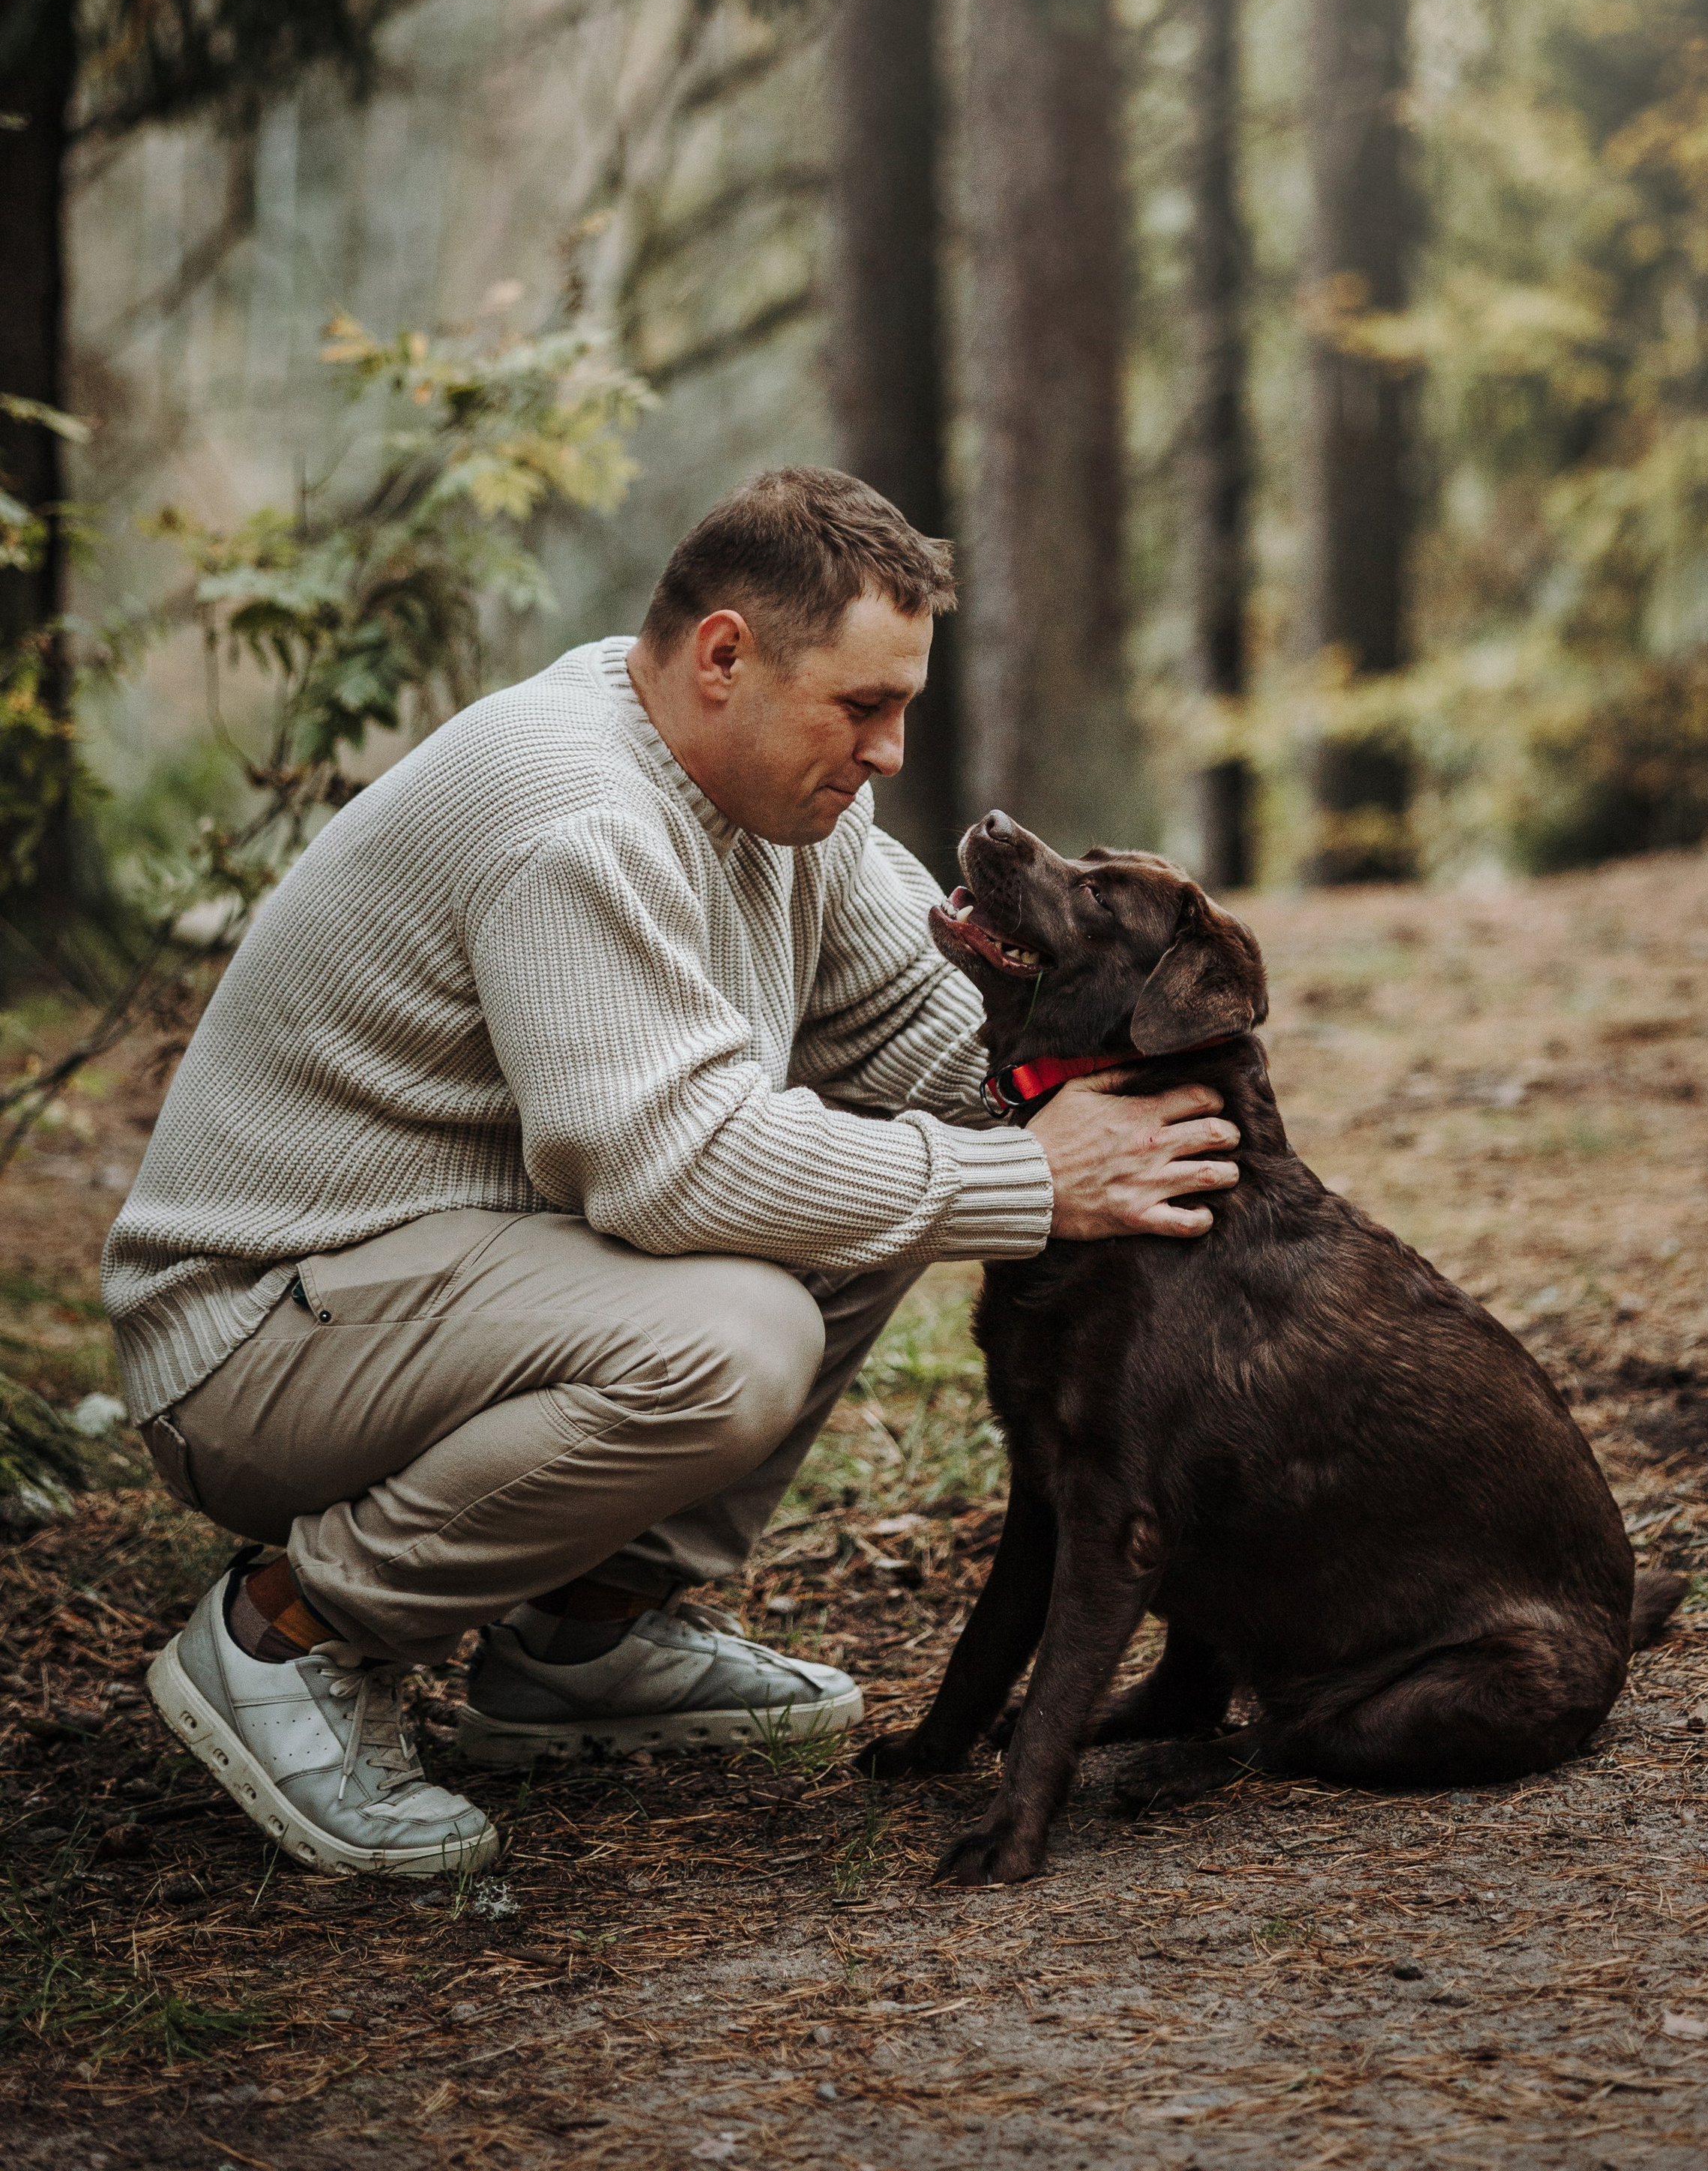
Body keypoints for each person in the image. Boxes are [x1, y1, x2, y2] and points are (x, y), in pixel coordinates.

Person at [103, 467, 1240, 1879]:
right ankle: (288, 1633)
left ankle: (586, 1632)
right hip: (257, 1340)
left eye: (904, 709)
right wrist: (1032, 1183)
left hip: (439, 1290)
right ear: (723, 658)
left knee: (892, 1173)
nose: (890, 754)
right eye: (863, 708)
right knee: (744, 1324)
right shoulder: (574, 813)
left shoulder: (779, 814)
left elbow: (926, 1041)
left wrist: (1143, 1098)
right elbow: (672, 1169)